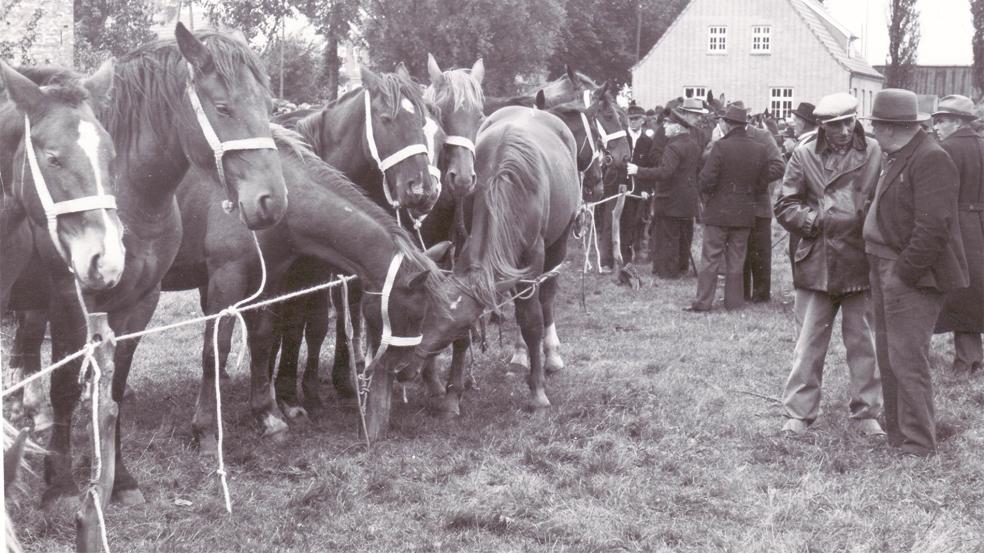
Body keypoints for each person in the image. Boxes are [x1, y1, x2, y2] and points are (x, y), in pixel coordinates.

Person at [864, 88, 968, 457]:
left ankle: (919, 443)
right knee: (890, 354)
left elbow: (934, 227)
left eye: (875, 125)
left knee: (907, 358)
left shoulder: (930, 158)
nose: (873, 132)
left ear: (890, 127)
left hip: (909, 273)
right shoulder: (899, 154)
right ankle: (899, 435)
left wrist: (903, 273)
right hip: (885, 264)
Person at [774, 93, 884, 436]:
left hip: (860, 259)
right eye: (835, 125)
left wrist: (865, 221)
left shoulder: (875, 152)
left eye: (849, 121)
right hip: (817, 260)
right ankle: (799, 412)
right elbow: (785, 204)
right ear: (822, 125)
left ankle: (867, 412)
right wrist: (816, 221)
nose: (844, 130)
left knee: (864, 341)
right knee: (809, 342)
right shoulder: (804, 154)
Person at [686, 104, 783, 311]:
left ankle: (703, 302)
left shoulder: (720, 146)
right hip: (745, 212)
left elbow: (706, 180)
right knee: (737, 259)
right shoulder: (758, 148)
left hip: (719, 212)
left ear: (728, 124)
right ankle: (734, 303)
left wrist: (709, 192)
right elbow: (762, 176)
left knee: (711, 257)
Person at [932, 95, 984, 375]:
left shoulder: (945, 150)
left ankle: (966, 360)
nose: (937, 127)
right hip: (980, 225)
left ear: (958, 121)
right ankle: (972, 355)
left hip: (956, 225)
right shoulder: (982, 144)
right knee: (975, 291)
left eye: (941, 121)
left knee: (958, 290)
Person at [632, 98, 704, 278]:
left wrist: (638, 171)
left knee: (669, 235)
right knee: (684, 234)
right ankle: (681, 267)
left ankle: (668, 272)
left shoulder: (673, 146)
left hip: (670, 198)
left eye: (668, 124)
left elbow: (665, 172)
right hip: (688, 199)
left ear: (677, 127)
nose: (664, 127)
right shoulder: (693, 144)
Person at [742, 105, 785, 303]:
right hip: (734, 208)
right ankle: (741, 293)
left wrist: (755, 183)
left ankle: (760, 294)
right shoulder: (722, 138)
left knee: (760, 252)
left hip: (758, 205)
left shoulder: (763, 137)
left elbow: (778, 166)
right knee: (739, 253)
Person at [619, 102, 656, 271]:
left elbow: (650, 166)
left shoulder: (648, 141)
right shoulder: (620, 137)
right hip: (621, 189)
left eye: (635, 119)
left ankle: (638, 249)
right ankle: (624, 255)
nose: (632, 122)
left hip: (639, 190)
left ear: (642, 121)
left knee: (639, 221)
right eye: (630, 119)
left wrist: (646, 190)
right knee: (623, 222)